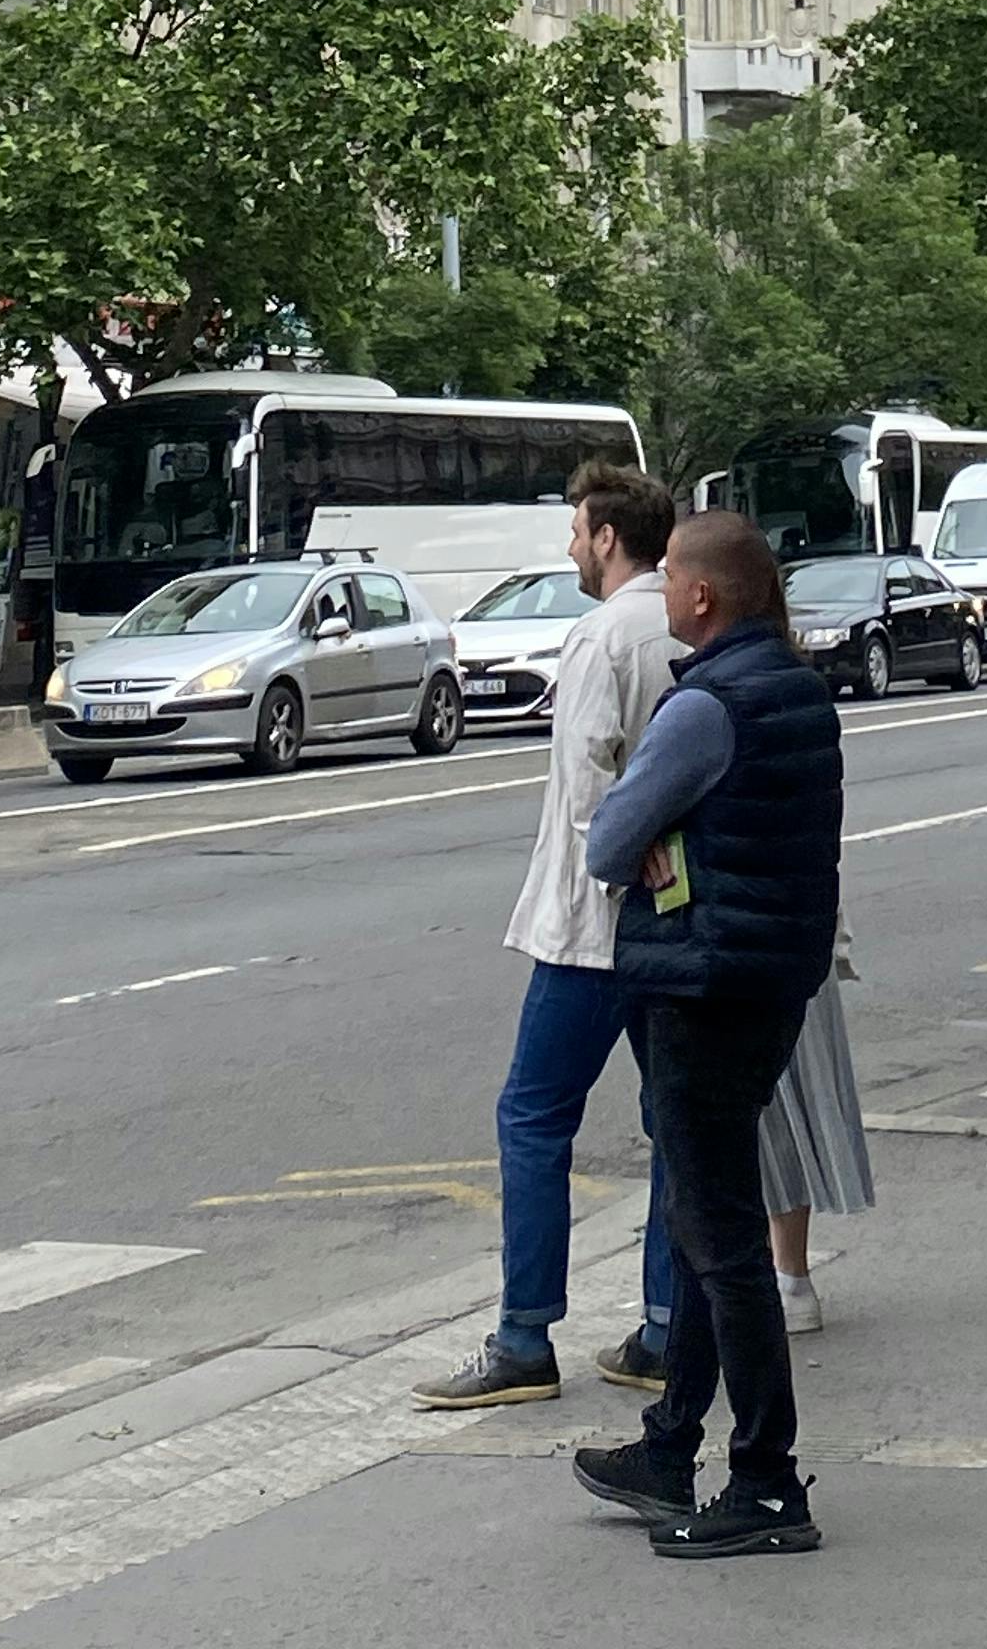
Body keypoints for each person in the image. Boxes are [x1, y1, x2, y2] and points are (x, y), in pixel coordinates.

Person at [573, 510, 841, 1562]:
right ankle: (669, 1442)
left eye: (674, 579)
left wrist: (659, 831)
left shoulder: (705, 705)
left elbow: (608, 842)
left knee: (723, 1240)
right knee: (702, 1213)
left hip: (700, 984)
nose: (665, 596)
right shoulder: (795, 687)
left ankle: (766, 1481)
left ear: (701, 596)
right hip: (768, 981)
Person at [413, 463, 680, 1414]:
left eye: (576, 532)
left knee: (532, 1120)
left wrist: (617, 866)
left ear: (608, 537)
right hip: (675, 923)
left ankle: (524, 1337)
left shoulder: (601, 636)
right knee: (672, 1123)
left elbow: (586, 794)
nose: (570, 548)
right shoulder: (682, 624)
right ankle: (665, 1328)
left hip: (590, 929)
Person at [760, 918, 872, 1330]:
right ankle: (790, 1276)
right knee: (793, 1100)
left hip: (745, 943)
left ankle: (779, 1281)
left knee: (766, 1114)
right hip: (799, 932)